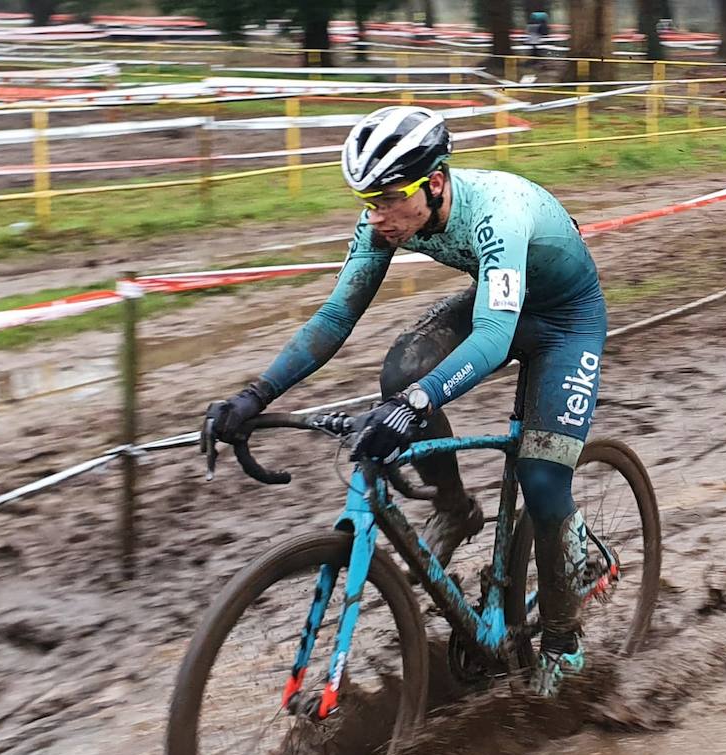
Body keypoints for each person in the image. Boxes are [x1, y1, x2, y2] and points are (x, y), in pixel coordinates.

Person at [202, 106, 608, 696]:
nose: (378, 216)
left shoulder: (497, 213)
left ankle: (563, 638)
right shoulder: (385, 222)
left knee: (543, 481)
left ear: (435, 183)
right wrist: (255, 393)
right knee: (403, 367)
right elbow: (337, 315)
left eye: (390, 199)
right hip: (502, 304)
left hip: (566, 322)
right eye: (367, 201)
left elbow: (493, 339)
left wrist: (415, 406)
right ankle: (454, 504)